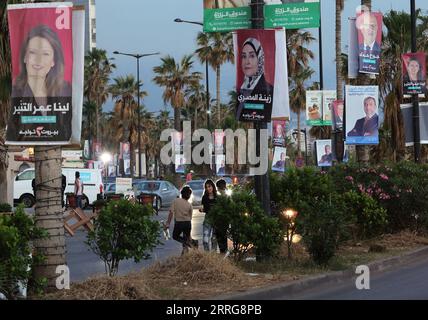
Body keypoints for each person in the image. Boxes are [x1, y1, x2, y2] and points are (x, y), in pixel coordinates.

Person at [8, 24, 72, 141]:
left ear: (53, 61)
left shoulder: (66, 90)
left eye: (45, 54)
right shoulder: (12, 91)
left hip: (55, 155)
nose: (38, 60)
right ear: (25, 57)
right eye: (32, 52)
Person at [236, 37, 274, 121]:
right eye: (244, 56)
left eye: (252, 56)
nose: (247, 61)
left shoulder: (269, 89)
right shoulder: (242, 88)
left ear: (259, 59)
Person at [165, 186, 197, 255]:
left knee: (175, 236)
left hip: (179, 223)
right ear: (189, 196)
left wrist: (168, 223)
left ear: (181, 193)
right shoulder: (189, 205)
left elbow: (171, 212)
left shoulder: (176, 201)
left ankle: (190, 243)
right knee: (187, 237)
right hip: (188, 223)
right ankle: (187, 250)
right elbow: (190, 217)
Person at [200, 180, 218, 252]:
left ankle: (213, 257)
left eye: (209, 186)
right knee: (205, 239)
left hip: (216, 219)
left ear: (213, 187)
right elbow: (205, 209)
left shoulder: (217, 197)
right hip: (208, 219)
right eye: (206, 187)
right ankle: (207, 256)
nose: (208, 188)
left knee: (214, 239)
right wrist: (202, 210)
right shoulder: (204, 197)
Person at [215, 179, 229, 254]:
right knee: (223, 235)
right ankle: (224, 250)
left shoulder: (218, 196)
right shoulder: (226, 195)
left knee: (220, 235)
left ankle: (222, 250)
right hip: (225, 219)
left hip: (219, 220)